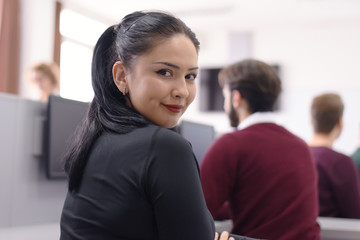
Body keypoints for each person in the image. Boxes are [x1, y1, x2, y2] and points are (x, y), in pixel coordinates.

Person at [59, 10, 243, 240]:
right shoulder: (163, 147)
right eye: (165, 72)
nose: (182, 91)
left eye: (190, 76)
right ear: (121, 76)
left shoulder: (95, 139)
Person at [200, 59, 321, 239]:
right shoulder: (300, 145)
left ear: (236, 98)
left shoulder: (230, 144)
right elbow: (270, 203)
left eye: (225, 97)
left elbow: (197, 210)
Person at [309, 93, 360, 218]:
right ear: (340, 124)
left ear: (311, 121)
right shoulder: (341, 163)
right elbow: (355, 214)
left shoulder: (297, 156)